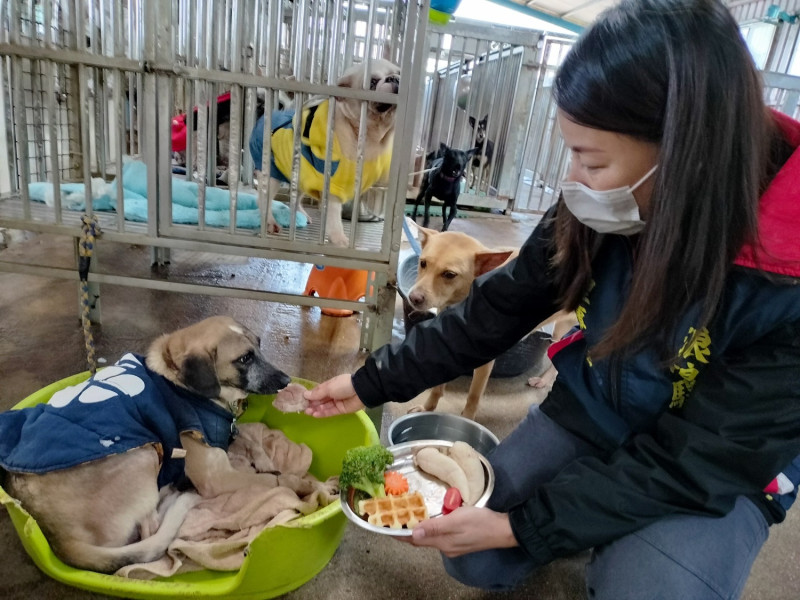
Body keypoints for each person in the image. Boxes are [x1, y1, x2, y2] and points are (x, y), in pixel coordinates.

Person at [304, 0, 800, 597]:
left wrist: (524, 526)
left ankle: (632, 545)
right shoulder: (604, 200)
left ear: (685, 151)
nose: (572, 181)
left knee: (643, 587)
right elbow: (500, 307)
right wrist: (369, 382)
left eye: (589, 159)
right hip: (598, 408)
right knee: (471, 558)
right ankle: (599, 516)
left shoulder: (785, 273)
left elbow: (702, 459)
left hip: (709, 465)